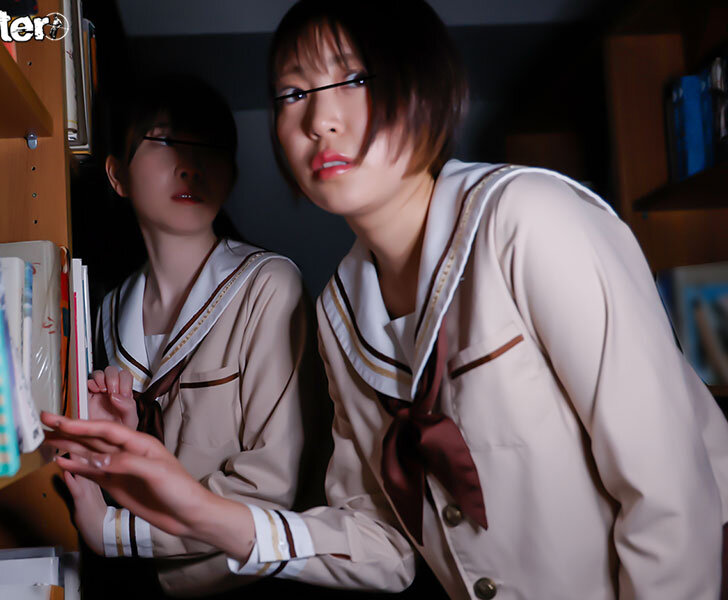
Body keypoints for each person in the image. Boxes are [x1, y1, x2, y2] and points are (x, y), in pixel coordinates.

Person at [43, 1, 728, 598]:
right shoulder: (339, 310)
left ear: (427, 90)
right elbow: (383, 544)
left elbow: (670, 495)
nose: (320, 119)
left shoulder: (528, 220)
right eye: (292, 93)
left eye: (355, 79)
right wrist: (194, 507)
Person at [65, 75, 329, 598]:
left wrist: (114, 532)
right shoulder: (105, 311)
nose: (191, 165)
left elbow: (268, 489)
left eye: (210, 147)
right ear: (117, 175)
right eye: (166, 141)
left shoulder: (268, 286)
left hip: (252, 588)